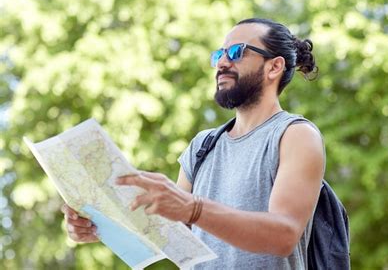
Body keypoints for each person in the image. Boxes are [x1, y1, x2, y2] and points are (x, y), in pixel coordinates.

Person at [62, 18, 325, 269]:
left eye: (236, 52)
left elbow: (283, 235)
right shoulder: (203, 145)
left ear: (274, 67)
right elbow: (170, 236)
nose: (222, 62)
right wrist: (100, 228)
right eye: (218, 54)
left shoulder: (295, 135)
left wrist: (194, 209)